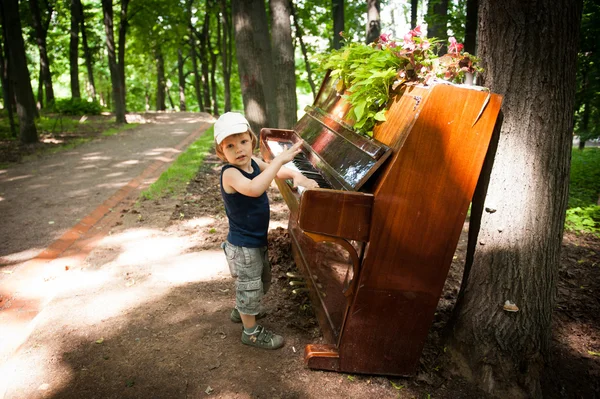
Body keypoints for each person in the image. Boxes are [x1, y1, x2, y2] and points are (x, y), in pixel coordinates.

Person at [214, 112, 318, 350]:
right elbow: (255, 188)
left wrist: (296, 174)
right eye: (230, 146)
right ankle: (249, 332)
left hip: (255, 241)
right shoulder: (230, 174)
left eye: (242, 141)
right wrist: (278, 162)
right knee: (250, 286)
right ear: (222, 153)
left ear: (251, 141)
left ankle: (243, 310)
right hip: (242, 246)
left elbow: (275, 171)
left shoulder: (253, 164)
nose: (238, 149)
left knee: (262, 281)